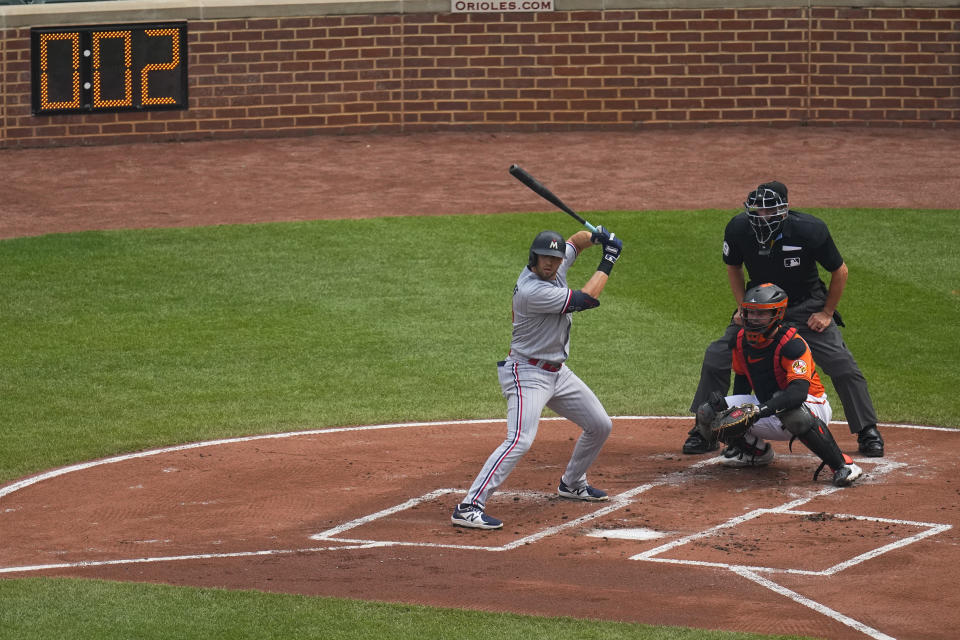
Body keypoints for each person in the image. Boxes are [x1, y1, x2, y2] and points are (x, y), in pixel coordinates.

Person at [683, 180, 884, 458]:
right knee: (717, 354)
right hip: (760, 308)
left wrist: (826, 313)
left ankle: (867, 429)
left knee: (841, 362)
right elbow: (733, 267)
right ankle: (703, 432)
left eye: (769, 211)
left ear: (784, 210)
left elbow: (840, 271)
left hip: (806, 306)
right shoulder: (739, 228)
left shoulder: (810, 230)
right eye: (758, 211)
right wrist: (744, 307)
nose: (762, 217)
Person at [452, 227, 623, 529]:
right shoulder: (534, 290)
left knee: (600, 425)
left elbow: (574, 243)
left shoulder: (556, 267)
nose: (551, 264)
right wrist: (609, 257)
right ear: (534, 257)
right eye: (545, 258)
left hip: (557, 373)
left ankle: (571, 483)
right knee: (520, 439)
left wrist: (596, 237)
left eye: (555, 260)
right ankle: (469, 506)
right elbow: (587, 298)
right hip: (527, 373)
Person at [694, 283, 863, 487]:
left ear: (778, 314)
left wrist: (758, 411)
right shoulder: (741, 340)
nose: (753, 319)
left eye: (761, 314)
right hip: (767, 406)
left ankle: (842, 465)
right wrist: (734, 417)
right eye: (750, 313)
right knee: (708, 412)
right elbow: (742, 382)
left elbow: (797, 394)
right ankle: (754, 452)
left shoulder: (793, 345)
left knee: (793, 413)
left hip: (811, 406)